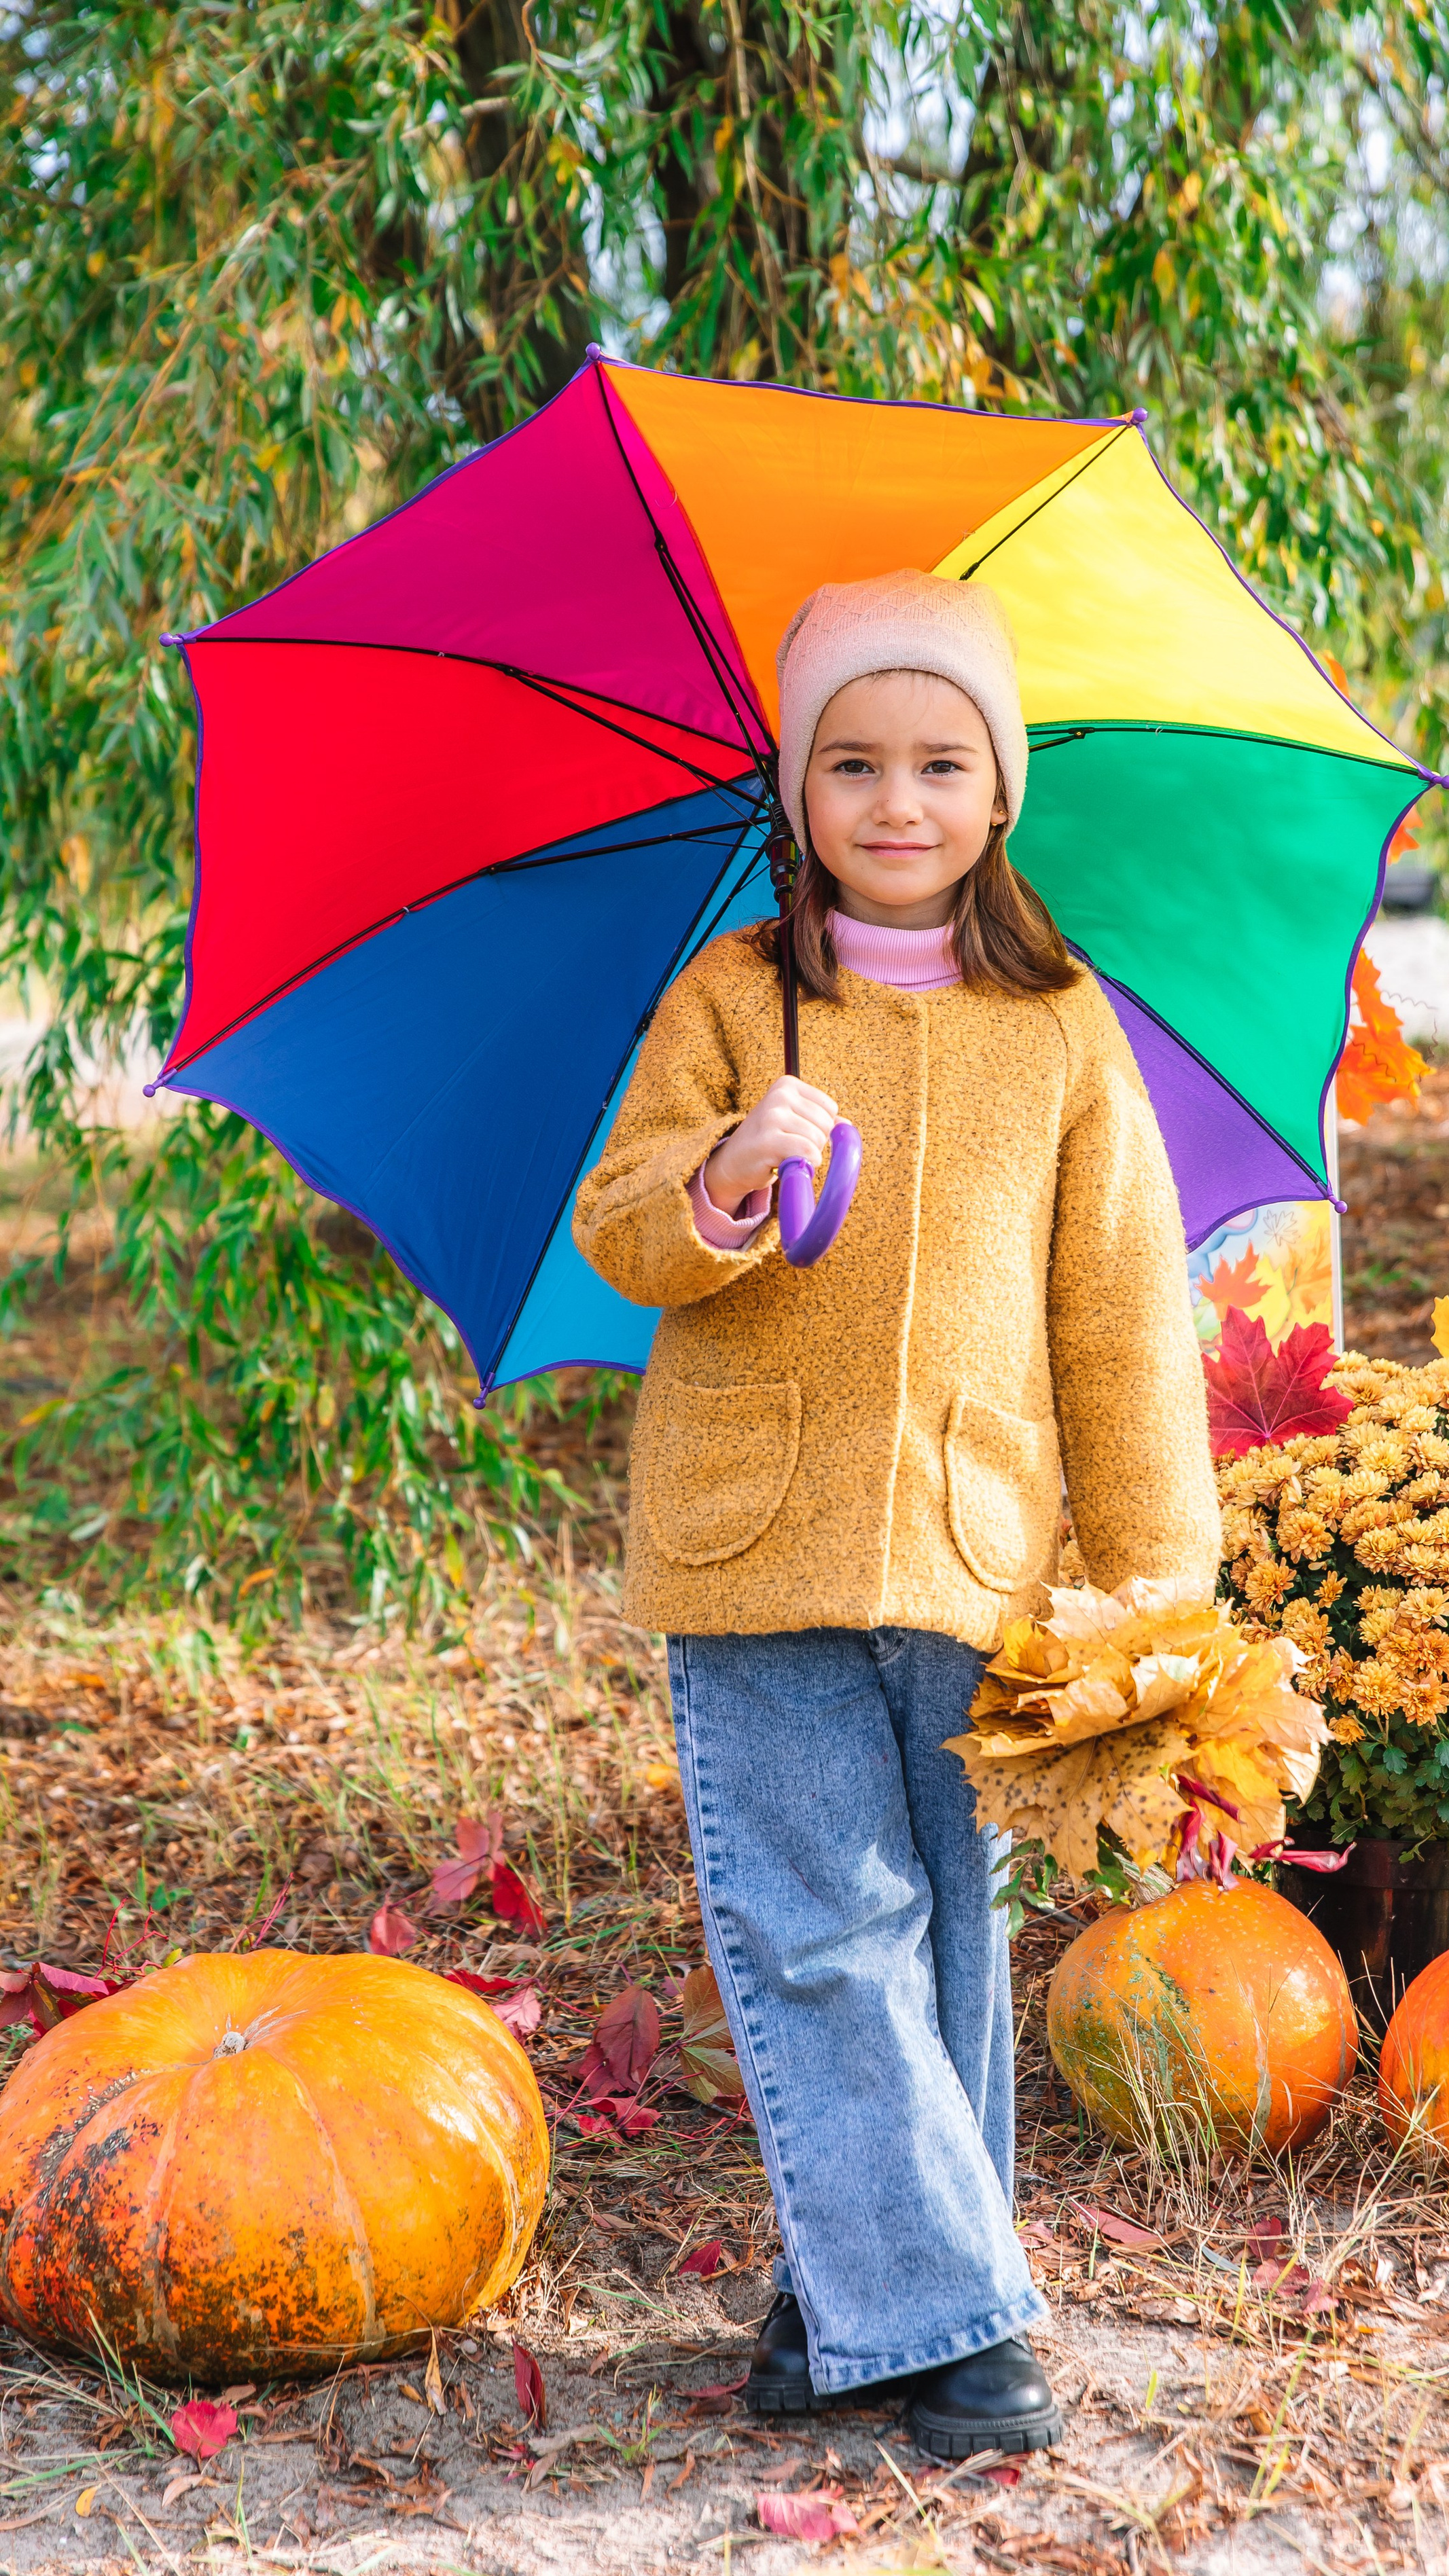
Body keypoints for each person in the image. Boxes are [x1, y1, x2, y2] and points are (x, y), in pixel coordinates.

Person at [571, 568, 1219, 2456]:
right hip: (753, 1544)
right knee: (812, 1932)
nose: (899, 802)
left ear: (999, 794)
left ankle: (858, 2298)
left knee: (940, 1940)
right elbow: (623, 1230)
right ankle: (961, 2321)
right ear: (799, 792)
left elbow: (1122, 1323)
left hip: (976, 1546)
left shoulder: (1062, 1030)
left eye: (941, 763)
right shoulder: (734, 999)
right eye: (852, 764)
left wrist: (1157, 1582)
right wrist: (720, 1175)